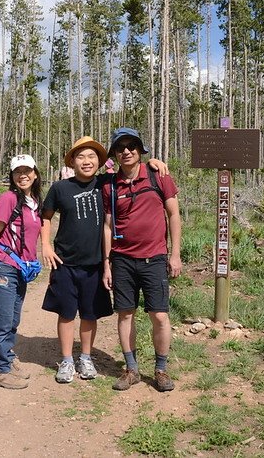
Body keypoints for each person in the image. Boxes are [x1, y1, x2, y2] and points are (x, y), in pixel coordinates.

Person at [41, 136, 168, 384]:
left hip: (96, 263)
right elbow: (46, 216)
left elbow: (131, 167)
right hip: (65, 262)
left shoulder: (106, 183)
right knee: (66, 313)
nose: (86, 161)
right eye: (80, 157)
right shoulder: (60, 188)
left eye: (91, 157)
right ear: (72, 161)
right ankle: (67, 360)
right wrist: (45, 245)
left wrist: (153, 161)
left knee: (89, 313)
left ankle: (86, 357)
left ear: (100, 161)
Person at [102, 127, 182, 393]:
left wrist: (175, 254)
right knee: (126, 314)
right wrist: (106, 262)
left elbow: (173, 215)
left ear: (140, 149)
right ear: (114, 153)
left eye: (131, 145)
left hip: (155, 258)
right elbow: (108, 224)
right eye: (120, 147)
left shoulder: (158, 176)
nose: (126, 151)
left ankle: (160, 369)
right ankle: (131, 369)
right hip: (122, 259)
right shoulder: (110, 185)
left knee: (159, 315)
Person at [0, 154, 44, 390]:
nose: (23, 175)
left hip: (21, 268)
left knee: (13, 318)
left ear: (35, 173)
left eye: (27, 171)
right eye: (18, 172)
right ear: (12, 176)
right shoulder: (8, 198)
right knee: (2, 319)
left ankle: (7, 356)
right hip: (3, 265)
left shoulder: (34, 202)